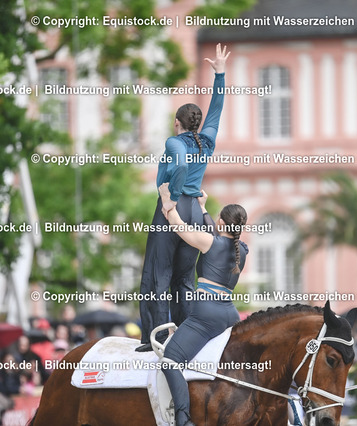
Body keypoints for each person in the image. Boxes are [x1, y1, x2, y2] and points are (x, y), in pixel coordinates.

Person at [136, 43, 230, 352]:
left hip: (172, 209)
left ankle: (156, 338)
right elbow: (216, 110)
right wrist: (220, 75)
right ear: (197, 124)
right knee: (185, 279)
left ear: (177, 122)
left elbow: (178, 165)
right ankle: (188, 337)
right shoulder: (207, 140)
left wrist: (170, 198)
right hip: (194, 212)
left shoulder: (174, 142)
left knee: (157, 275)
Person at [158, 185, 248, 426]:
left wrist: (167, 201)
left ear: (222, 222)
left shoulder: (211, 243)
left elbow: (178, 226)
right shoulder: (242, 250)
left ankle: (183, 419)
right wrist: (203, 208)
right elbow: (217, 237)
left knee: (170, 360)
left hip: (206, 314)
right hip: (230, 315)